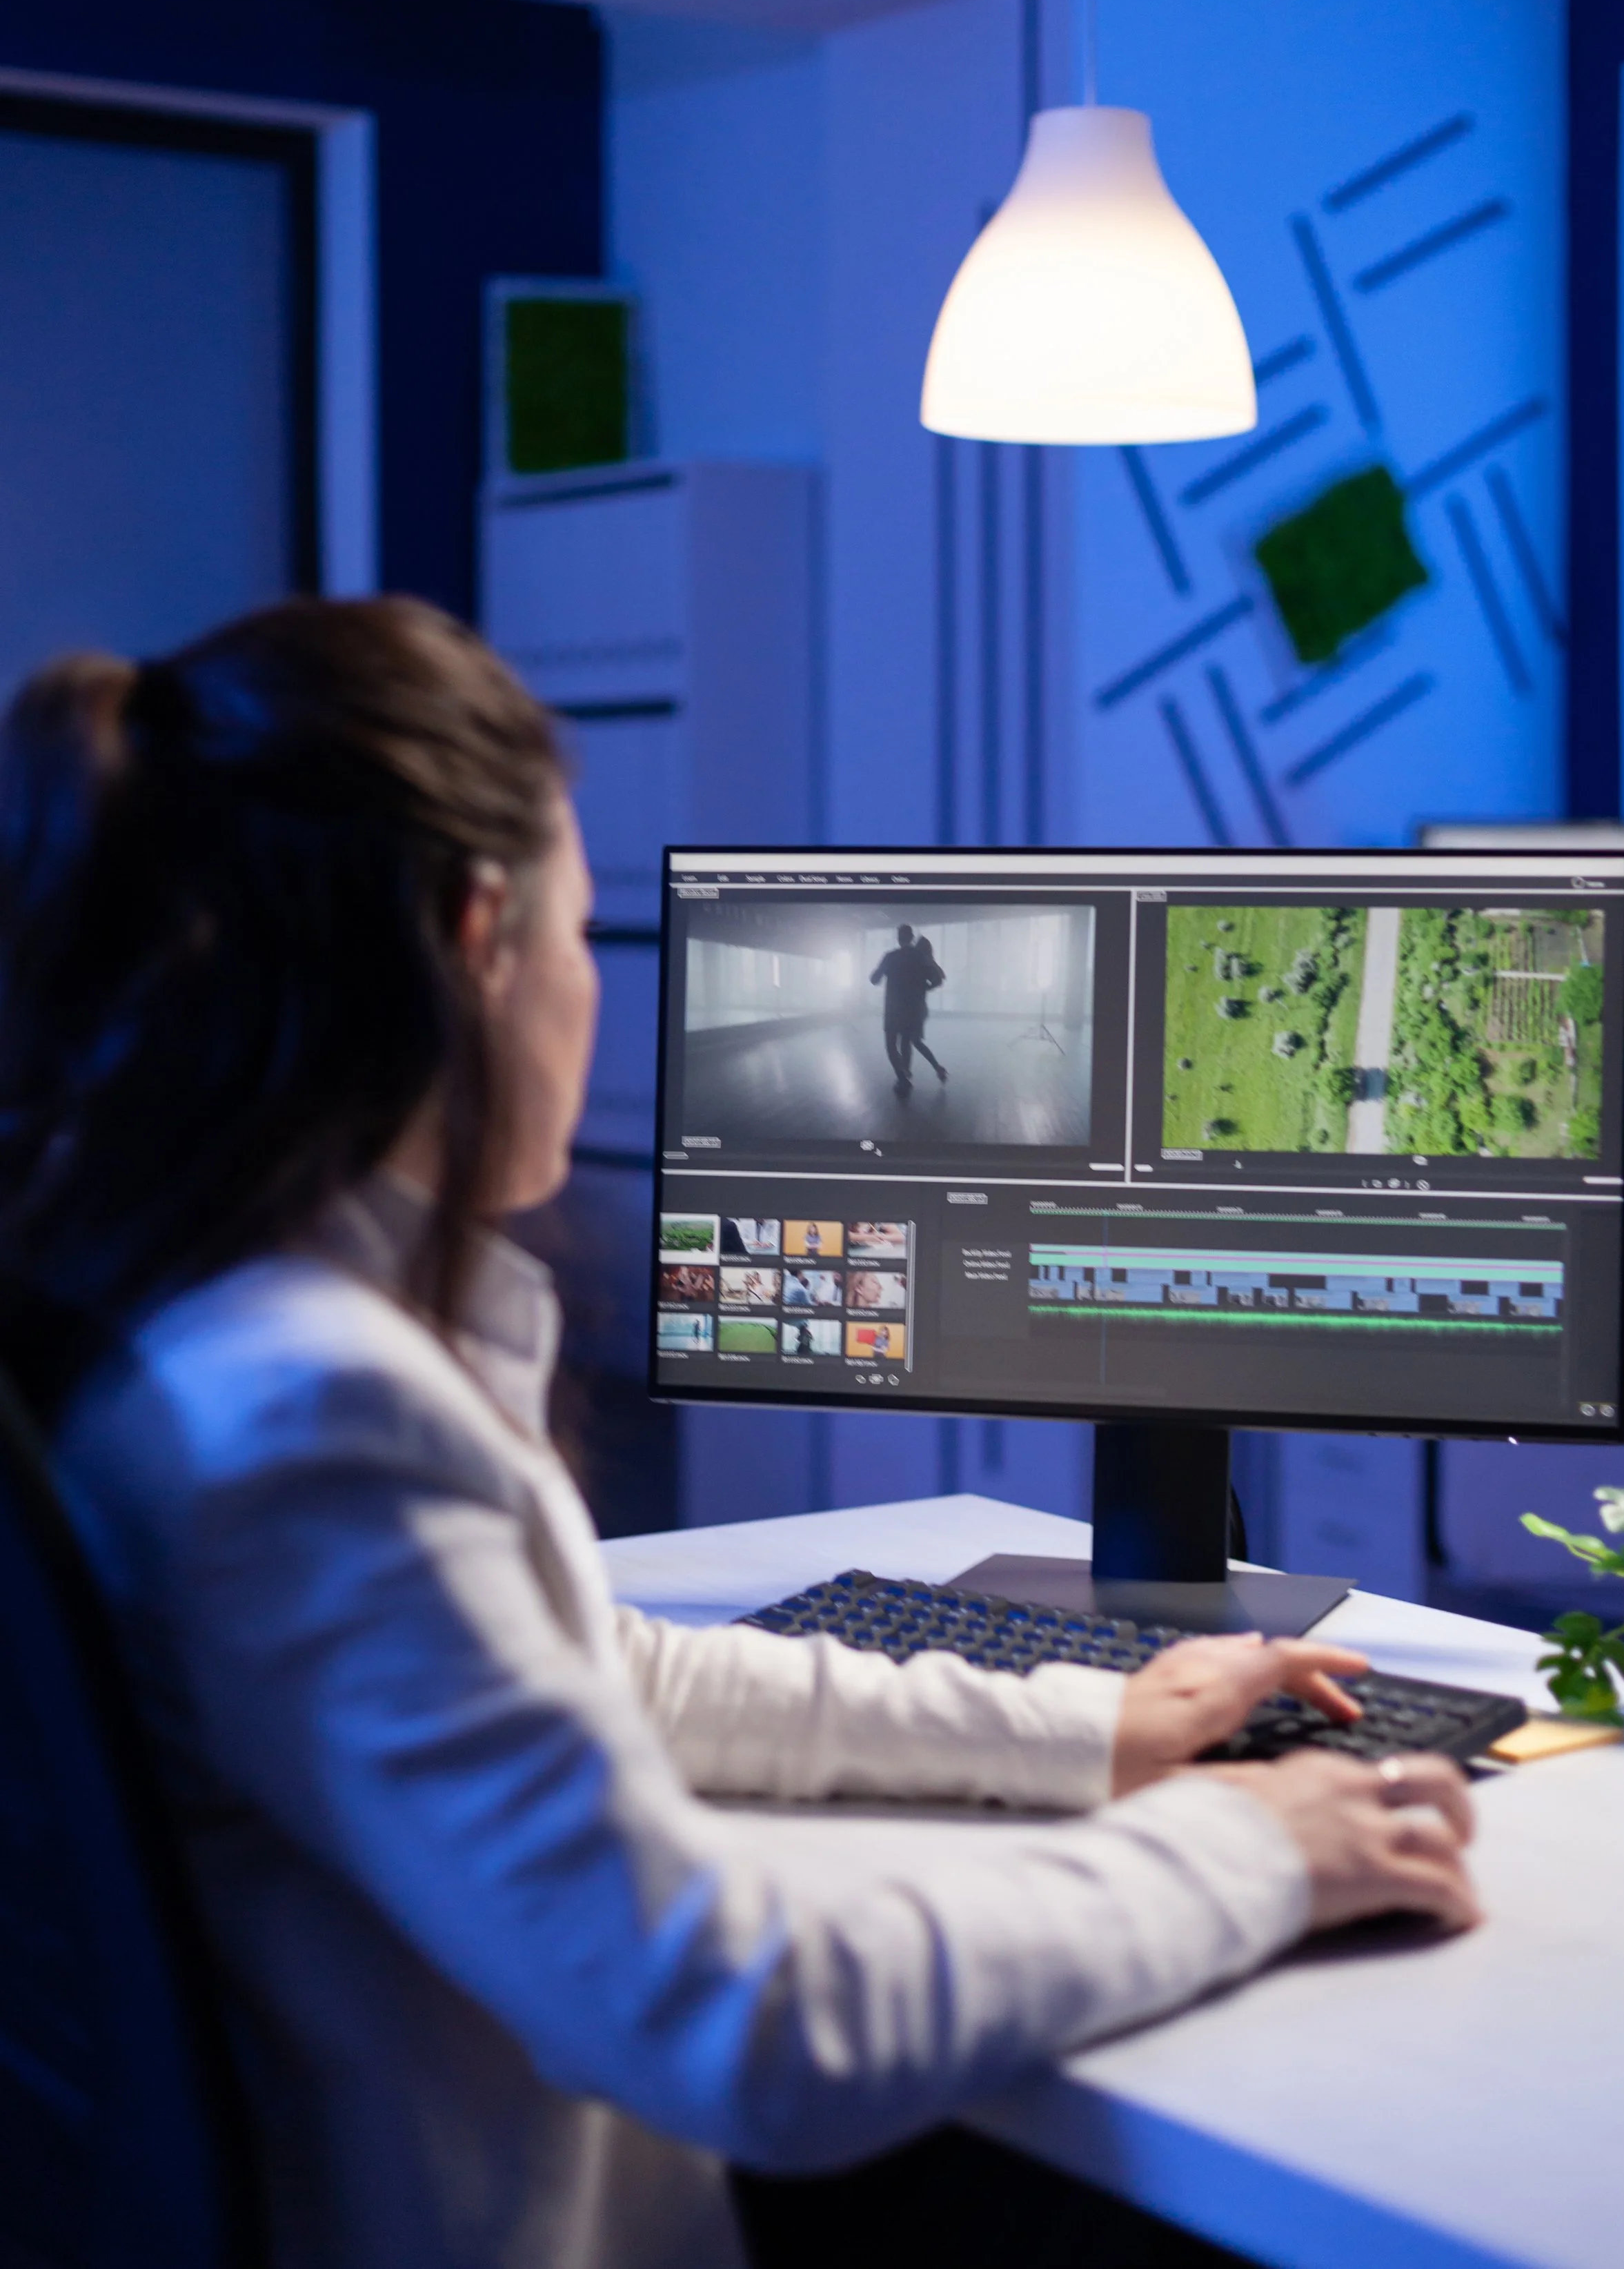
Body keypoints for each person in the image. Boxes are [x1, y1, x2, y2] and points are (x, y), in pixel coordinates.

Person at [0, 600, 1478, 2269]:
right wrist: (1244, 1847)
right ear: (479, 928)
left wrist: (1086, 1730)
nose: (590, 987)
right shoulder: (314, 1414)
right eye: (579, 931)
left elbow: (605, 1666)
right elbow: (736, 2018)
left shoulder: (207, 1326)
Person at [869, 923, 947, 1093]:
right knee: (909, 1041)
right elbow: (938, 980)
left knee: (891, 1045)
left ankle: (903, 1078)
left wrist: (878, 974)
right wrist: (922, 989)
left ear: (898, 938)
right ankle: (908, 1072)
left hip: (893, 1009)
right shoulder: (921, 957)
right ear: (912, 938)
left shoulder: (890, 957)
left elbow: (874, 980)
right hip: (914, 1009)